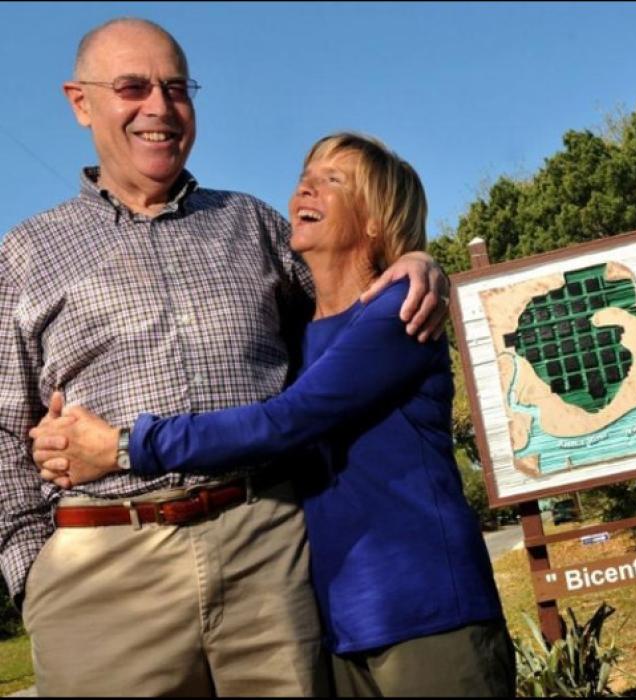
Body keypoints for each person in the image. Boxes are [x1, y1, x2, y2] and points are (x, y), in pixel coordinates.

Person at [0, 17, 448, 697]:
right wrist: (32, 571)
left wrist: (415, 258)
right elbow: (4, 430)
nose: (160, 108)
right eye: (132, 87)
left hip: (264, 548)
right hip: (103, 563)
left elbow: (354, 316)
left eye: (177, 88)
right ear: (80, 101)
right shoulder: (26, 254)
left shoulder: (256, 224)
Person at [32, 132, 516, 697]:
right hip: (340, 624)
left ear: (375, 222)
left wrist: (123, 446)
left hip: (428, 610)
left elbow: (285, 421)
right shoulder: (299, 332)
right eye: (306, 173)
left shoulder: (397, 315)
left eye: (334, 180)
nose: (306, 185)